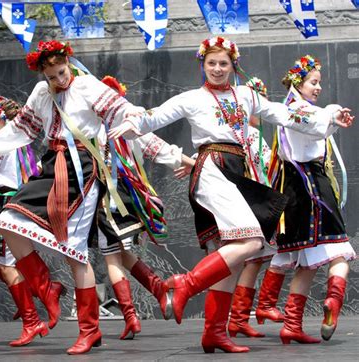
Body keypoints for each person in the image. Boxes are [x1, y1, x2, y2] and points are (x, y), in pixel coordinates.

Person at [109, 36, 353, 353]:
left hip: (236, 172)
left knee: (236, 255)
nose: (218, 68)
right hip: (212, 168)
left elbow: (285, 114)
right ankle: (185, 285)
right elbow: (154, 116)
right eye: (212, 63)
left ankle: (214, 332)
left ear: (232, 65)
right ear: (203, 65)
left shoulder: (247, 96)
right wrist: (131, 123)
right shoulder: (193, 98)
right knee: (250, 241)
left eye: (223, 63)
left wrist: (329, 117)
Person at [0, 40, 143, 355]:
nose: (59, 81)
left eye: (62, 73)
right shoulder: (40, 94)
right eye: (51, 77)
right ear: (43, 75)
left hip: (83, 168)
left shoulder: (88, 87)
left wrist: (132, 120)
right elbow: (21, 130)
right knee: (7, 220)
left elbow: (121, 109)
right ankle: (47, 289)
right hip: (51, 164)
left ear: (68, 64)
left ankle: (89, 330)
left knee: (75, 252)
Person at [96, 75, 195, 340]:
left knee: (111, 257)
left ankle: (130, 316)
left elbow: (160, 148)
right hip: (121, 198)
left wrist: (197, 164)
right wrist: (194, 164)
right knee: (119, 253)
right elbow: (160, 149)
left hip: (108, 199)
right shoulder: (119, 128)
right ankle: (159, 290)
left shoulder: (108, 128)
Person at [267, 55, 356, 344]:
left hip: (294, 189)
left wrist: (333, 117)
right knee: (340, 253)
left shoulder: (289, 110)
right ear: (298, 83)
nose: (318, 87)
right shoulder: (297, 110)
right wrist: (334, 115)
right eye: (313, 82)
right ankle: (333, 300)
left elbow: (321, 123)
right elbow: (316, 123)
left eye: (319, 82)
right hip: (312, 185)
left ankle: (291, 324)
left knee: (306, 262)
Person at [0, 95, 47, 347]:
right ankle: (30, 292)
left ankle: (31, 319)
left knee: (7, 265)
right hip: (5, 204)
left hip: (9, 204)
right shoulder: (16, 143)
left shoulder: (1, 143)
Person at [227, 77, 287, 338]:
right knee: (253, 259)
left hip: (248, 200)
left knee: (253, 259)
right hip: (251, 201)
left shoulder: (244, 134)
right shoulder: (248, 135)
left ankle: (238, 317)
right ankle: (241, 316)